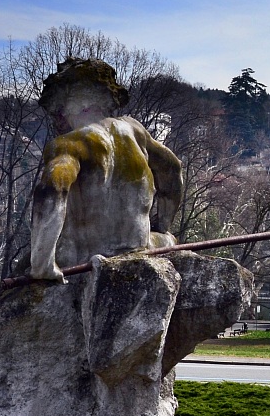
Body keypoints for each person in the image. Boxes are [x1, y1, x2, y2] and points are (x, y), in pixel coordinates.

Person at [29, 58, 184, 281]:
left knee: (27, 262)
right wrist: (163, 224)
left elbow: (53, 188)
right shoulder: (134, 131)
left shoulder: (69, 144)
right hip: (138, 245)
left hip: (81, 256)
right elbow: (173, 170)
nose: (56, 122)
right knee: (166, 239)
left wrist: (42, 265)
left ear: (62, 108)